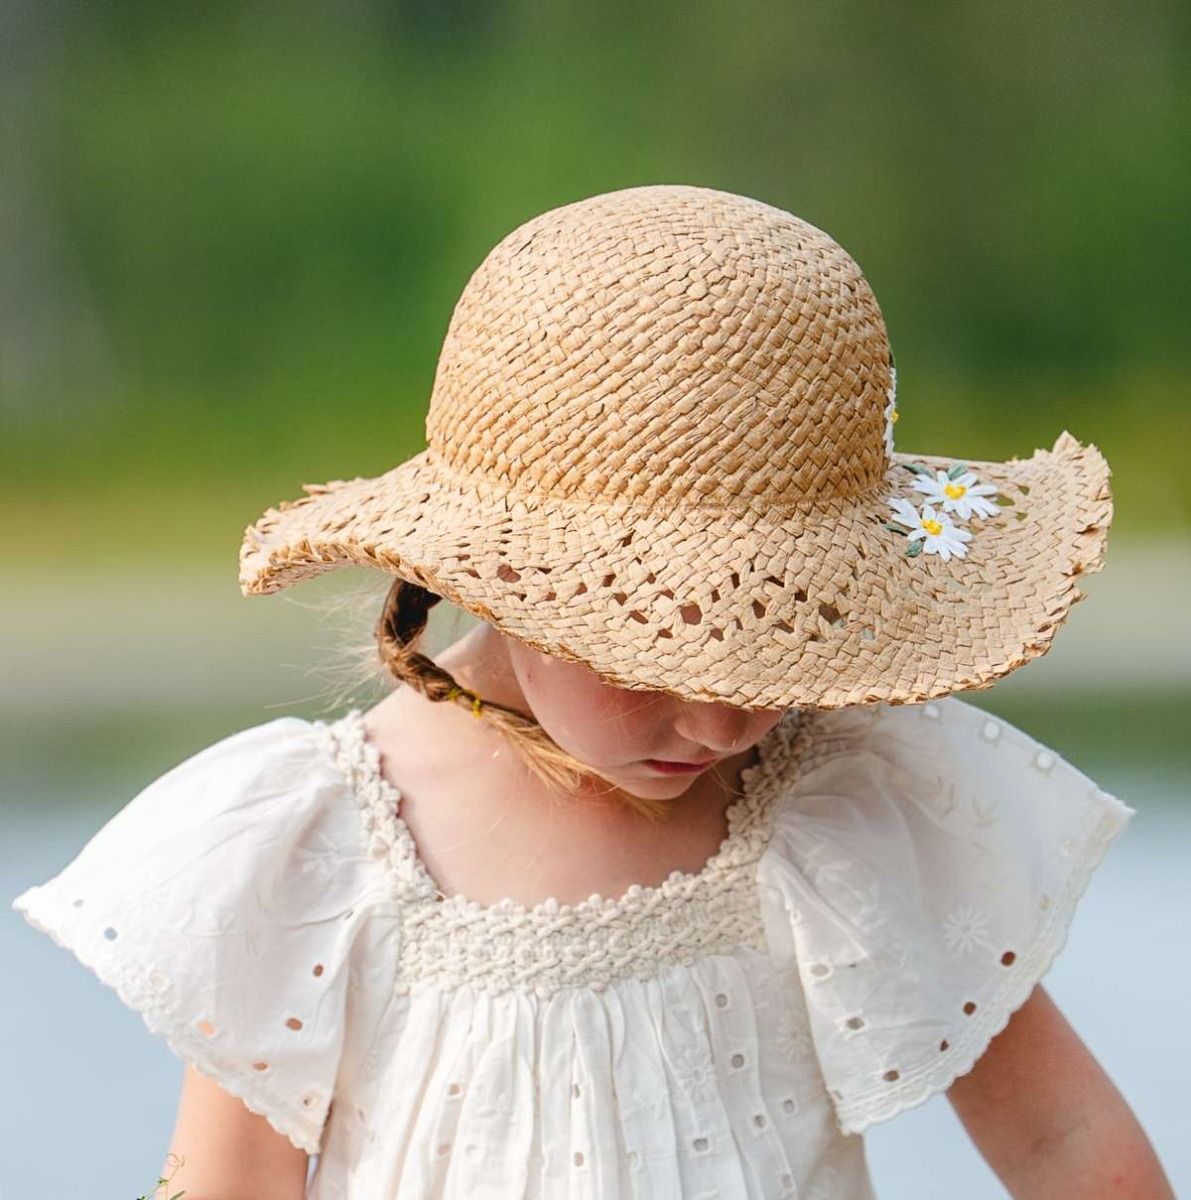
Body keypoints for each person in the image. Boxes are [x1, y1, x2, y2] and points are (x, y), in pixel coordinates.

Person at [12, 184, 1174, 1200]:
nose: (725, 720)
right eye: (659, 658)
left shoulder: (841, 796)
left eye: (778, 648)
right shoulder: (318, 849)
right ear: (501, 583)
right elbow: (227, 1183)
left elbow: (1062, 1134)